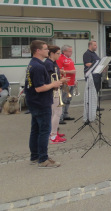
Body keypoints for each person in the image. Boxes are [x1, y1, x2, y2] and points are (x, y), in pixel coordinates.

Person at [25, 40, 62, 168]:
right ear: (38, 51)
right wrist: (54, 84)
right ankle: (43, 159)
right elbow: (39, 88)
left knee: (35, 130)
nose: (48, 51)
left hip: (33, 101)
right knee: (44, 131)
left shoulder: (32, 64)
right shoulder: (39, 66)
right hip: (40, 102)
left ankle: (35, 156)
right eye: (45, 49)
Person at [44, 45, 67, 144]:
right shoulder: (49, 64)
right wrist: (61, 80)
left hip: (56, 89)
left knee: (55, 112)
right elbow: (49, 78)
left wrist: (60, 71)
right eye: (58, 53)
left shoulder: (53, 63)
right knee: (57, 113)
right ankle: (53, 135)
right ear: (52, 53)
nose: (59, 55)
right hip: (53, 90)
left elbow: (55, 73)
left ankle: (53, 132)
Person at [56, 45, 76, 123]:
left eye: (71, 51)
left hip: (71, 82)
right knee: (63, 100)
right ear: (64, 51)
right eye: (69, 51)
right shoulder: (60, 58)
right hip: (65, 82)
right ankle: (60, 117)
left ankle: (65, 114)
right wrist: (70, 72)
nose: (71, 52)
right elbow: (58, 70)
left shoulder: (69, 59)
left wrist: (75, 80)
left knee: (68, 100)